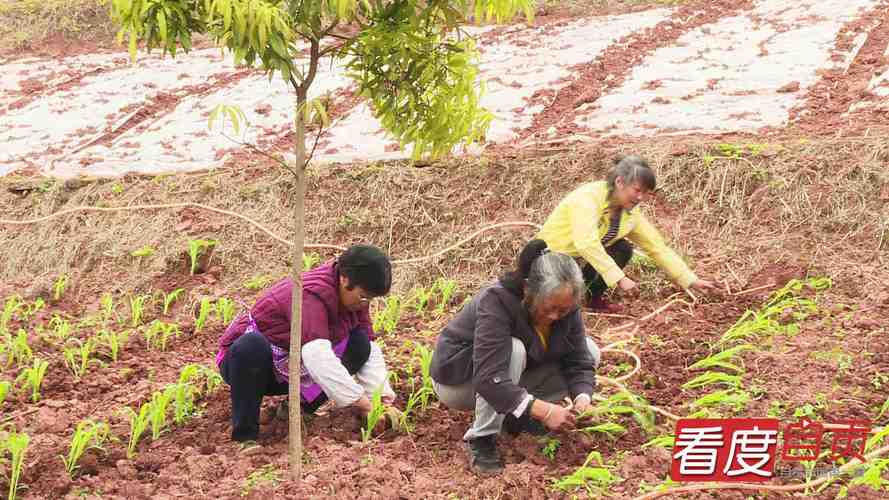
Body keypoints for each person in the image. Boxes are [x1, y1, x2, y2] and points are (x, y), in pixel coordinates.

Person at [430, 240, 599, 475]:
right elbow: (489, 378)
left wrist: (582, 397)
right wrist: (545, 411)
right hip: (460, 381)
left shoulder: (566, 307)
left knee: (591, 350)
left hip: (508, 376)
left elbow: (579, 360)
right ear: (529, 289)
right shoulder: (496, 301)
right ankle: (482, 438)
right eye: (549, 307)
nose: (555, 316)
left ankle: (516, 417)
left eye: (564, 310)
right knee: (513, 349)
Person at [216, 244, 397, 442]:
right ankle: (245, 436)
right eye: (363, 296)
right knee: (251, 346)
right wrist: (363, 403)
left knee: (359, 344)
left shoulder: (356, 300)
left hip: (293, 367)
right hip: (250, 367)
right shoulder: (311, 294)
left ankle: (294, 410)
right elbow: (317, 356)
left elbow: (369, 349)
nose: (366, 303)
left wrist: (382, 399)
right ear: (345, 279)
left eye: (370, 299)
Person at [537, 155, 717, 312]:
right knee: (556, 303)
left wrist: (689, 279)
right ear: (620, 182)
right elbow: (585, 243)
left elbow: (657, 248)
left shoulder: (629, 213)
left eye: (645, 193)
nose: (641, 198)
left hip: (578, 259)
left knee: (622, 248)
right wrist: (620, 279)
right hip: (553, 257)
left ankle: (592, 297)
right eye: (637, 190)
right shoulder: (588, 199)